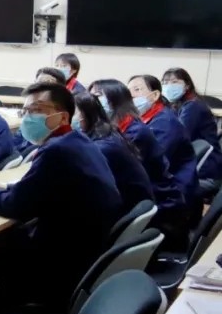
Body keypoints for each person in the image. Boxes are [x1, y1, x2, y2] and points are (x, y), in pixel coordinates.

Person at [0, 82, 122, 312]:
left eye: (37, 110)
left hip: (62, 265)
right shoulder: (77, 141)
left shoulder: (56, 150)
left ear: (63, 117)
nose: (29, 117)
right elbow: (37, 189)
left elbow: (15, 205)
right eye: (26, 110)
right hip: (86, 252)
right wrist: (6, 188)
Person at [92, 79, 188, 248]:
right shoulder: (120, 126)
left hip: (160, 205)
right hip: (145, 197)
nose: (90, 100)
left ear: (115, 100)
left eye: (97, 95)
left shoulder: (134, 132)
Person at [128, 74, 199, 221]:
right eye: (128, 92)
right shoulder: (147, 117)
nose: (131, 96)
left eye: (137, 90)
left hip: (173, 198)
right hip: (163, 187)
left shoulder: (165, 123)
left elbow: (150, 163)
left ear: (155, 95)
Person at [72, 92, 154, 215]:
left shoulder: (102, 146)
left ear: (88, 114)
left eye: (73, 113)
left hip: (124, 208)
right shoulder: (104, 132)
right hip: (127, 202)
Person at [162, 67, 222, 196]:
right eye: (165, 82)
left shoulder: (193, 106)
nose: (169, 86)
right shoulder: (178, 105)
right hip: (195, 168)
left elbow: (177, 137)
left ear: (187, 85)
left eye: (174, 82)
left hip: (204, 174)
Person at [12, 67, 68, 155]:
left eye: (47, 84)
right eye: (38, 83)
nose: (40, 87)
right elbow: (16, 140)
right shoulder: (30, 111)